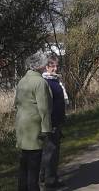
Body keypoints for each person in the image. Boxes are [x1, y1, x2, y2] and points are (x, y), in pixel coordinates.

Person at [14, 52, 52, 191]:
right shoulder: (40, 82)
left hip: (22, 126)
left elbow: (16, 103)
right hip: (34, 127)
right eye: (45, 63)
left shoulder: (22, 80)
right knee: (33, 167)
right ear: (40, 65)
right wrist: (47, 130)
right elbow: (44, 109)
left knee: (24, 165)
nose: (46, 66)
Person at [40, 54, 67, 188]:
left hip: (57, 119)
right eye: (52, 66)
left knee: (51, 150)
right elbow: (45, 104)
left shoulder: (55, 80)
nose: (55, 68)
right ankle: (50, 181)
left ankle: (46, 176)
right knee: (51, 151)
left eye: (56, 66)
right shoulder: (46, 82)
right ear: (46, 67)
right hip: (51, 121)